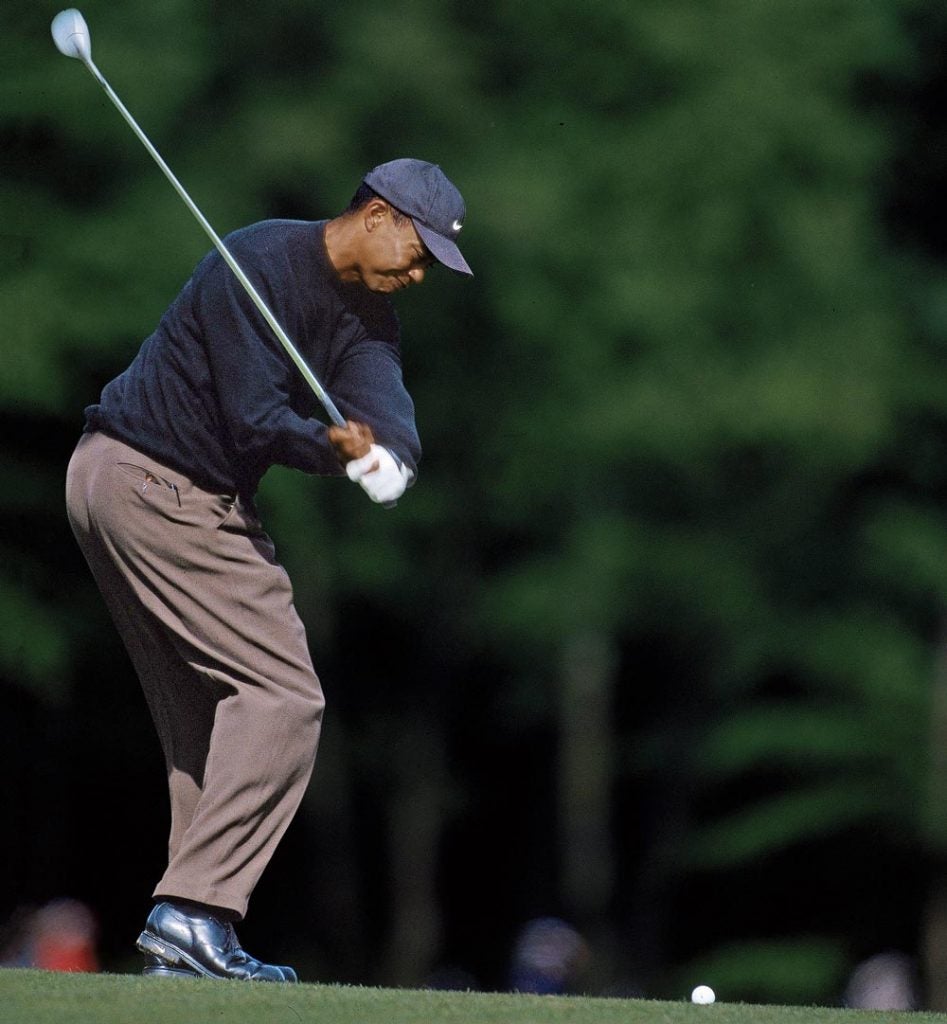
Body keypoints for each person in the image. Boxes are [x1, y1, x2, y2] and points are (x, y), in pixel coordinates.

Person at [65, 158, 472, 982]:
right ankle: (196, 913)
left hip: (130, 484)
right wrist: (332, 449)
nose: (419, 270)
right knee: (285, 696)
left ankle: (181, 943)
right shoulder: (254, 261)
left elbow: (387, 414)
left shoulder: (368, 319)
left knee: (210, 714)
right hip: (156, 482)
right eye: (417, 248)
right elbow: (254, 423)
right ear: (376, 215)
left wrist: (390, 460)